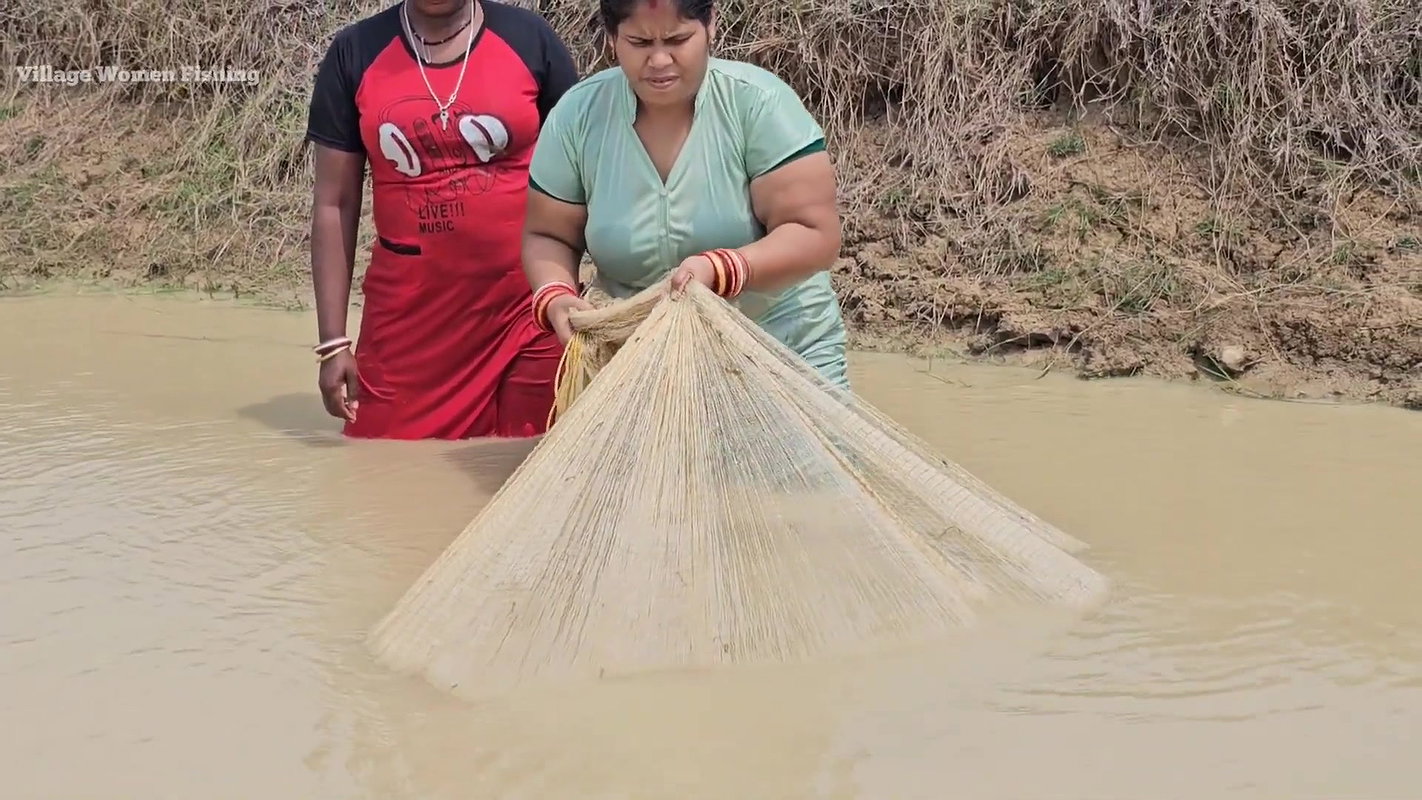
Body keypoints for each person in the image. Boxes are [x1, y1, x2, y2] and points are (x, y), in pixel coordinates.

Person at [519, 0, 850, 388]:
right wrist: (555, 294)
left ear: (710, 26)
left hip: (779, 347)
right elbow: (549, 235)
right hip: (639, 356)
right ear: (612, 39)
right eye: (639, 42)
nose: (659, 60)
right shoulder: (577, 116)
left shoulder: (759, 104)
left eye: (678, 39)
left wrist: (722, 269)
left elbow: (815, 235)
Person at [305, 0, 580, 440]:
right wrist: (333, 343)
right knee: (382, 471)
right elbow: (333, 204)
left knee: (532, 455)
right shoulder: (355, 53)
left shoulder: (529, 39)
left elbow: (584, 169)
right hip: (411, 319)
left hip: (526, 311)